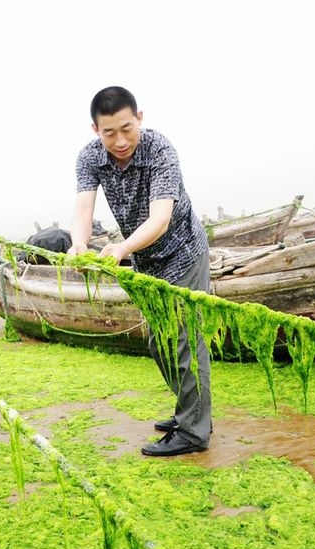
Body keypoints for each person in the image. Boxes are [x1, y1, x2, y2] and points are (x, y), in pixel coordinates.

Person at [67, 85, 212, 457]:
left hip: (183, 252)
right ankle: (192, 413)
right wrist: (80, 244)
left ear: (140, 119)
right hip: (145, 263)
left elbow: (160, 218)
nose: (119, 140)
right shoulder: (89, 158)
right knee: (158, 343)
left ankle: (194, 434)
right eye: (109, 132)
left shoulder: (160, 150)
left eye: (127, 128)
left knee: (183, 342)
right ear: (95, 130)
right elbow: (84, 209)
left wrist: (122, 248)